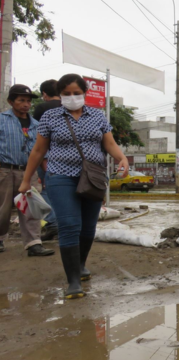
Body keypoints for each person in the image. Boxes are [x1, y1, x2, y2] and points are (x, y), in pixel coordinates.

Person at [19, 74, 129, 299]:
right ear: (60, 95)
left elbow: (108, 142)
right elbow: (39, 150)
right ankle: (73, 281)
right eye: (67, 94)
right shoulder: (51, 117)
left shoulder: (97, 116)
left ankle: (79, 264)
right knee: (69, 225)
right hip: (60, 177)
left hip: (93, 178)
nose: (72, 97)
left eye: (76, 93)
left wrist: (122, 158)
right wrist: (26, 180)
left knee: (88, 228)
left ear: (84, 93)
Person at [0, 84, 55, 256]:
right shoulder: (2, 120)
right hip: (5, 170)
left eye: (28, 101)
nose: (25, 104)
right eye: (21, 100)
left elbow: (42, 151)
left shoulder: (37, 125)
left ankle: (33, 244)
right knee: (3, 208)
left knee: (30, 208)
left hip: (29, 172)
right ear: (11, 101)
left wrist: (46, 174)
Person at [33, 79, 61, 240]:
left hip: (47, 156)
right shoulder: (69, 108)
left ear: (44, 94)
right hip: (67, 159)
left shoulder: (42, 108)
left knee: (44, 190)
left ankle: (52, 224)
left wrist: (43, 159)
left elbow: (38, 137)